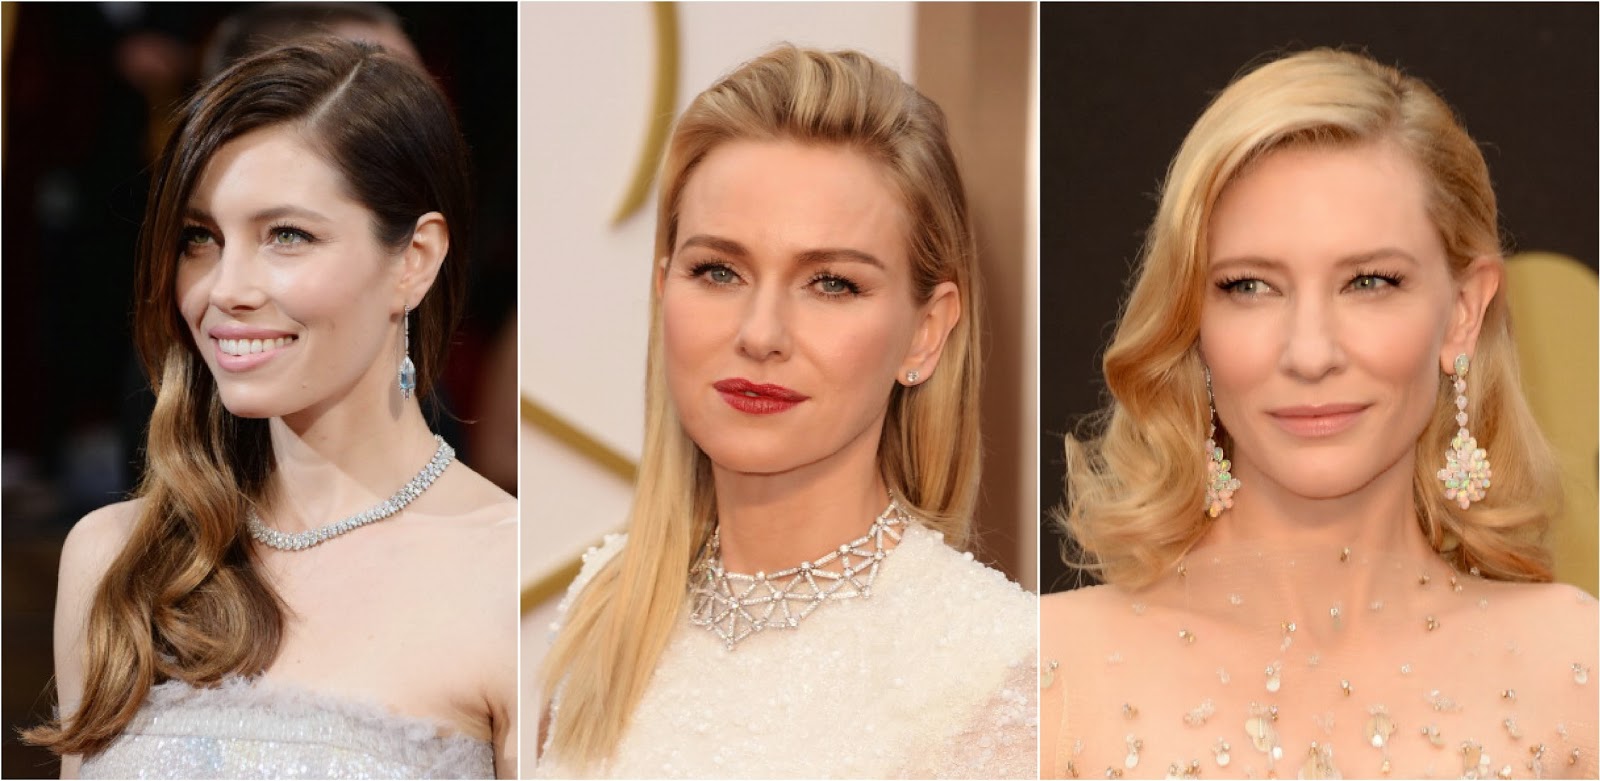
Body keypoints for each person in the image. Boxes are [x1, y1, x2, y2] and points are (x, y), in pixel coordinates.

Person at [1042, 48, 1597, 780]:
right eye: (1249, 286)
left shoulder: (1575, 670)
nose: (1309, 353)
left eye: (1369, 281)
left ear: (1464, 310)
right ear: (1190, 319)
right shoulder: (1045, 674)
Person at [536, 45, 1037, 779]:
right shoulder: (603, 612)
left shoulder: (994, 669)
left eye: (831, 283)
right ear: (663, 287)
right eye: (718, 271)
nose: (761, 333)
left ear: (926, 331)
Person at [22, 38, 516, 778]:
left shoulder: (513, 578)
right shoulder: (117, 558)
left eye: (287, 236)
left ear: (415, 260)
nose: (224, 289)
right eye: (201, 238)